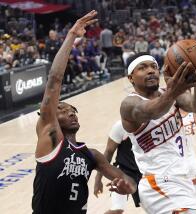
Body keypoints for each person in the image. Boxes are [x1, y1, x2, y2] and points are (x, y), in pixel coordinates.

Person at [32, 11, 136, 214]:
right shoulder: (50, 137)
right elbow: (54, 80)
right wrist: (71, 35)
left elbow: (127, 181)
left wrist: (127, 186)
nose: (71, 113)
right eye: (62, 110)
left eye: (73, 110)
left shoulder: (91, 155)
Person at [120, 52, 196, 214]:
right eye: (143, 68)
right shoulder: (129, 104)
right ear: (131, 78)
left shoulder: (171, 93)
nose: (151, 70)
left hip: (183, 179)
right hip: (158, 183)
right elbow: (152, 111)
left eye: (154, 66)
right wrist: (174, 91)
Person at [94, 120, 142, 214]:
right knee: (117, 209)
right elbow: (108, 153)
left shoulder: (153, 123)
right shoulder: (120, 126)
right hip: (123, 172)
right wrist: (98, 179)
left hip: (145, 173)